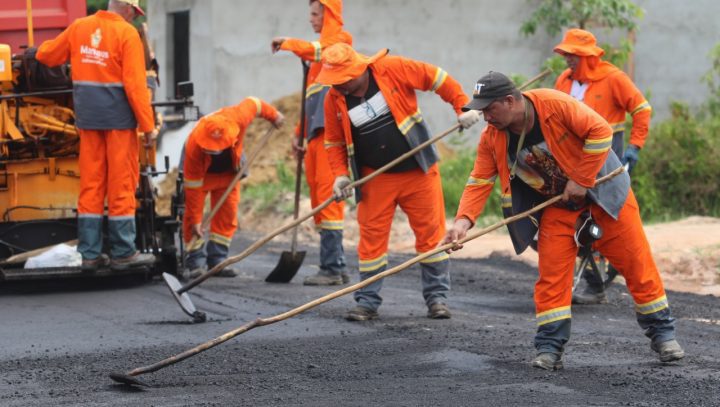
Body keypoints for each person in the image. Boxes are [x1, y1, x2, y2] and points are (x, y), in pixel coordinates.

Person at [442, 71, 683, 370]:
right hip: (559, 204)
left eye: (489, 108)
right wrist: (463, 221)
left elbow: (601, 131)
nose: (485, 116)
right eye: (481, 110)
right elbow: (480, 179)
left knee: (637, 264)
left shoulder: (554, 104)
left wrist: (582, 179)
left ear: (509, 101)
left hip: (605, 194)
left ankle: (664, 335)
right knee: (552, 276)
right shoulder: (492, 138)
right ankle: (549, 348)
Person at [317, 43, 481, 321]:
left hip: (418, 171)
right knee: (370, 242)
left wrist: (462, 107)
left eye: (342, 80)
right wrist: (341, 174)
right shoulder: (334, 99)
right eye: (334, 81)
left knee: (431, 237)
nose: (338, 86)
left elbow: (437, 78)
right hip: (375, 177)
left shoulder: (392, 69)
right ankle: (367, 302)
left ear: (358, 69)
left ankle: (437, 299)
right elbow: (333, 141)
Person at [36, 0, 156, 271]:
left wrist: (37, 49)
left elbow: (47, 56)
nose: (134, 19)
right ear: (128, 9)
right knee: (121, 184)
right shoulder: (127, 34)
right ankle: (123, 252)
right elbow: (136, 87)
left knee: (91, 185)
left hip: (88, 121)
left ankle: (90, 254)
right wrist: (147, 127)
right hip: (119, 123)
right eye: (134, 14)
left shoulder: (79, 27)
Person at [553, 28, 652, 304]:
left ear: (587, 56)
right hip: (571, 161)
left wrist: (635, 146)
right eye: (566, 54)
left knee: (605, 216)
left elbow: (642, 109)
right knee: (576, 218)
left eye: (572, 55)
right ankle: (592, 281)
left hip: (607, 158)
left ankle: (602, 278)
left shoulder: (614, 79)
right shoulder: (563, 81)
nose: (567, 60)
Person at [271, 0, 352, 286]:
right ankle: (336, 266)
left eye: (316, 13)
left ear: (329, 14)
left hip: (332, 138)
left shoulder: (339, 44)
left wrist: (289, 44)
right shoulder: (316, 60)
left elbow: (322, 48)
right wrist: (298, 133)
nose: (311, 19)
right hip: (315, 136)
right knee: (320, 200)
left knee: (329, 201)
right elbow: (312, 101)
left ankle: (331, 268)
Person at [183, 98, 284, 278]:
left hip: (230, 174)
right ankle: (195, 262)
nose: (214, 151)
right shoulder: (194, 147)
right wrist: (196, 220)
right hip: (203, 177)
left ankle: (218, 261)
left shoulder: (238, 117)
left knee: (227, 215)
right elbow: (193, 190)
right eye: (211, 149)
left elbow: (255, 104)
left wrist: (274, 116)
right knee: (193, 221)